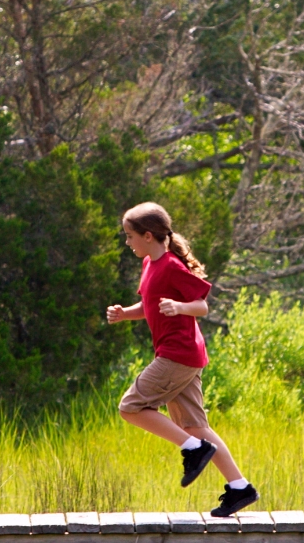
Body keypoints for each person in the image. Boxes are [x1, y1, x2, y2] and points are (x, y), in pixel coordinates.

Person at [107, 202, 258, 517]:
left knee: (130, 407)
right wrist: (126, 314)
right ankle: (240, 487)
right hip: (184, 353)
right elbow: (150, 304)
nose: (127, 242)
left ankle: (193, 448)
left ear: (148, 235)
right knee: (192, 425)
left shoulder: (172, 265)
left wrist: (180, 307)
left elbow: (201, 306)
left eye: (130, 236)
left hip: (178, 354)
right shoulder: (150, 263)